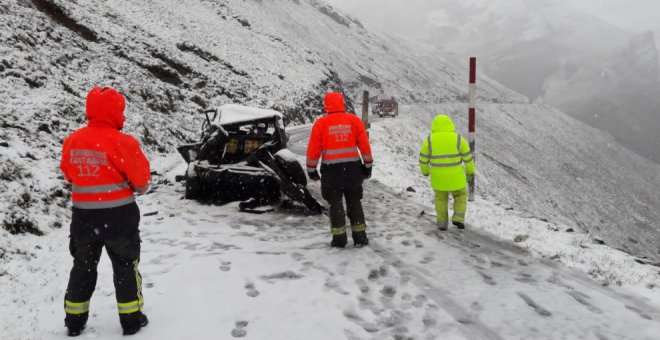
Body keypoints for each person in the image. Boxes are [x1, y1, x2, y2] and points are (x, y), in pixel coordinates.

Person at [59, 87, 151, 336]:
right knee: (125, 268)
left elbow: (69, 175)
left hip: (84, 220)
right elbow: (142, 183)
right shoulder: (124, 142)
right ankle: (131, 320)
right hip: (119, 220)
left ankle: (74, 321)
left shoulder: (73, 140)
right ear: (115, 112)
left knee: (82, 269)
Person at [306, 92, 373, 248]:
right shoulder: (354, 121)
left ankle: (339, 239)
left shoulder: (321, 124)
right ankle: (360, 237)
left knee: (335, 204)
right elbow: (365, 147)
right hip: (353, 171)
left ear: (326, 105)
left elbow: (313, 150)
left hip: (331, 172)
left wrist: (311, 170)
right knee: (354, 202)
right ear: (342, 103)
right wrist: (368, 166)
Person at [419, 114, 475, 230]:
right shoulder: (458, 139)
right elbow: (468, 158)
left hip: (438, 178)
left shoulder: (429, 140)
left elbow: (423, 158)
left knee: (440, 199)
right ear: (450, 125)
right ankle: (458, 218)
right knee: (461, 195)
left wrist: (425, 171)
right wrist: (470, 172)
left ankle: (442, 223)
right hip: (456, 178)